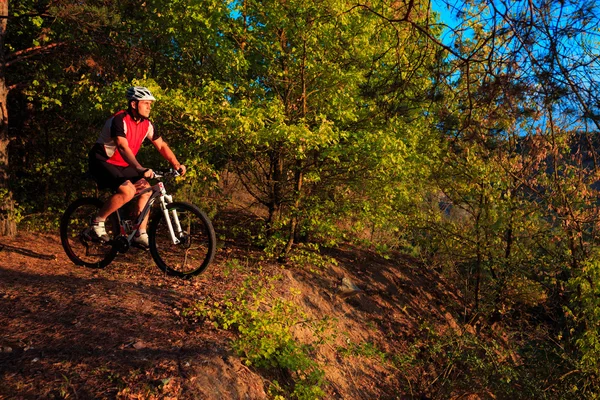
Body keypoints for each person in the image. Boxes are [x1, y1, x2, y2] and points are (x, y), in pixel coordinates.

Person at [88, 86, 186, 248]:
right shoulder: (119, 120)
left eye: (150, 104)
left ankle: (140, 233)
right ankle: (97, 221)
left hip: (123, 164)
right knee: (128, 190)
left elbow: (161, 145)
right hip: (102, 161)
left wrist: (176, 164)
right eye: (146, 103)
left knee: (146, 189)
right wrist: (140, 168)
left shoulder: (147, 124)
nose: (149, 107)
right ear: (134, 104)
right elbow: (122, 146)